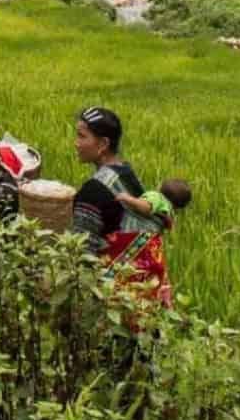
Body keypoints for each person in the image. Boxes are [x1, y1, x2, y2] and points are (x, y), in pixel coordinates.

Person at [68, 106, 172, 310]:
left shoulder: (93, 192)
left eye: (82, 136)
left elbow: (81, 253)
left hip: (114, 302)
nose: (76, 143)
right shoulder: (126, 172)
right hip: (144, 290)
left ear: (103, 144)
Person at [116, 178, 192, 236]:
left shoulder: (157, 197)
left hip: (133, 230)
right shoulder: (170, 212)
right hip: (149, 240)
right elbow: (171, 227)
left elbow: (146, 207)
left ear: (160, 187)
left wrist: (128, 198)